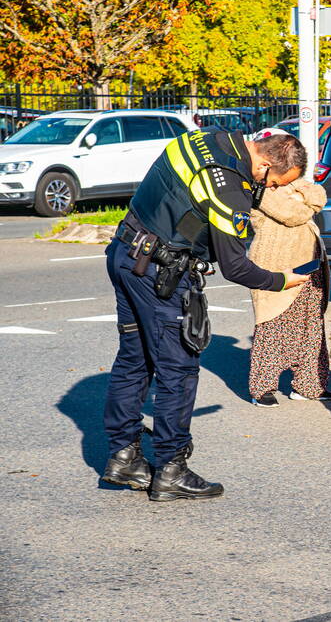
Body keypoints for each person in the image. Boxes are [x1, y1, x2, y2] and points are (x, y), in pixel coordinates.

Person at [101, 130, 309, 502]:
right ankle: (171, 468)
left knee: (134, 359)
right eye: (274, 183)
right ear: (263, 164)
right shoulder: (230, 189)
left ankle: (124, 455)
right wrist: (281, 281)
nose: (268, 190)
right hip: (159, 272)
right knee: (177, 369)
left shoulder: (207, 138)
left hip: (124, 254)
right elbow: (235, 267)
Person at [247, 175, 331, 407]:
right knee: (272, 322)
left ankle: (309, 385)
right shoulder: (262, 186)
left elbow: (320, 194)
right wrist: (303, 200)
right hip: (277, 261)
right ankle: (262, 388)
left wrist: (299, 193)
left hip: (309, 260)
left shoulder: (294, 181)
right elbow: (290, 214)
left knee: (311, 325)